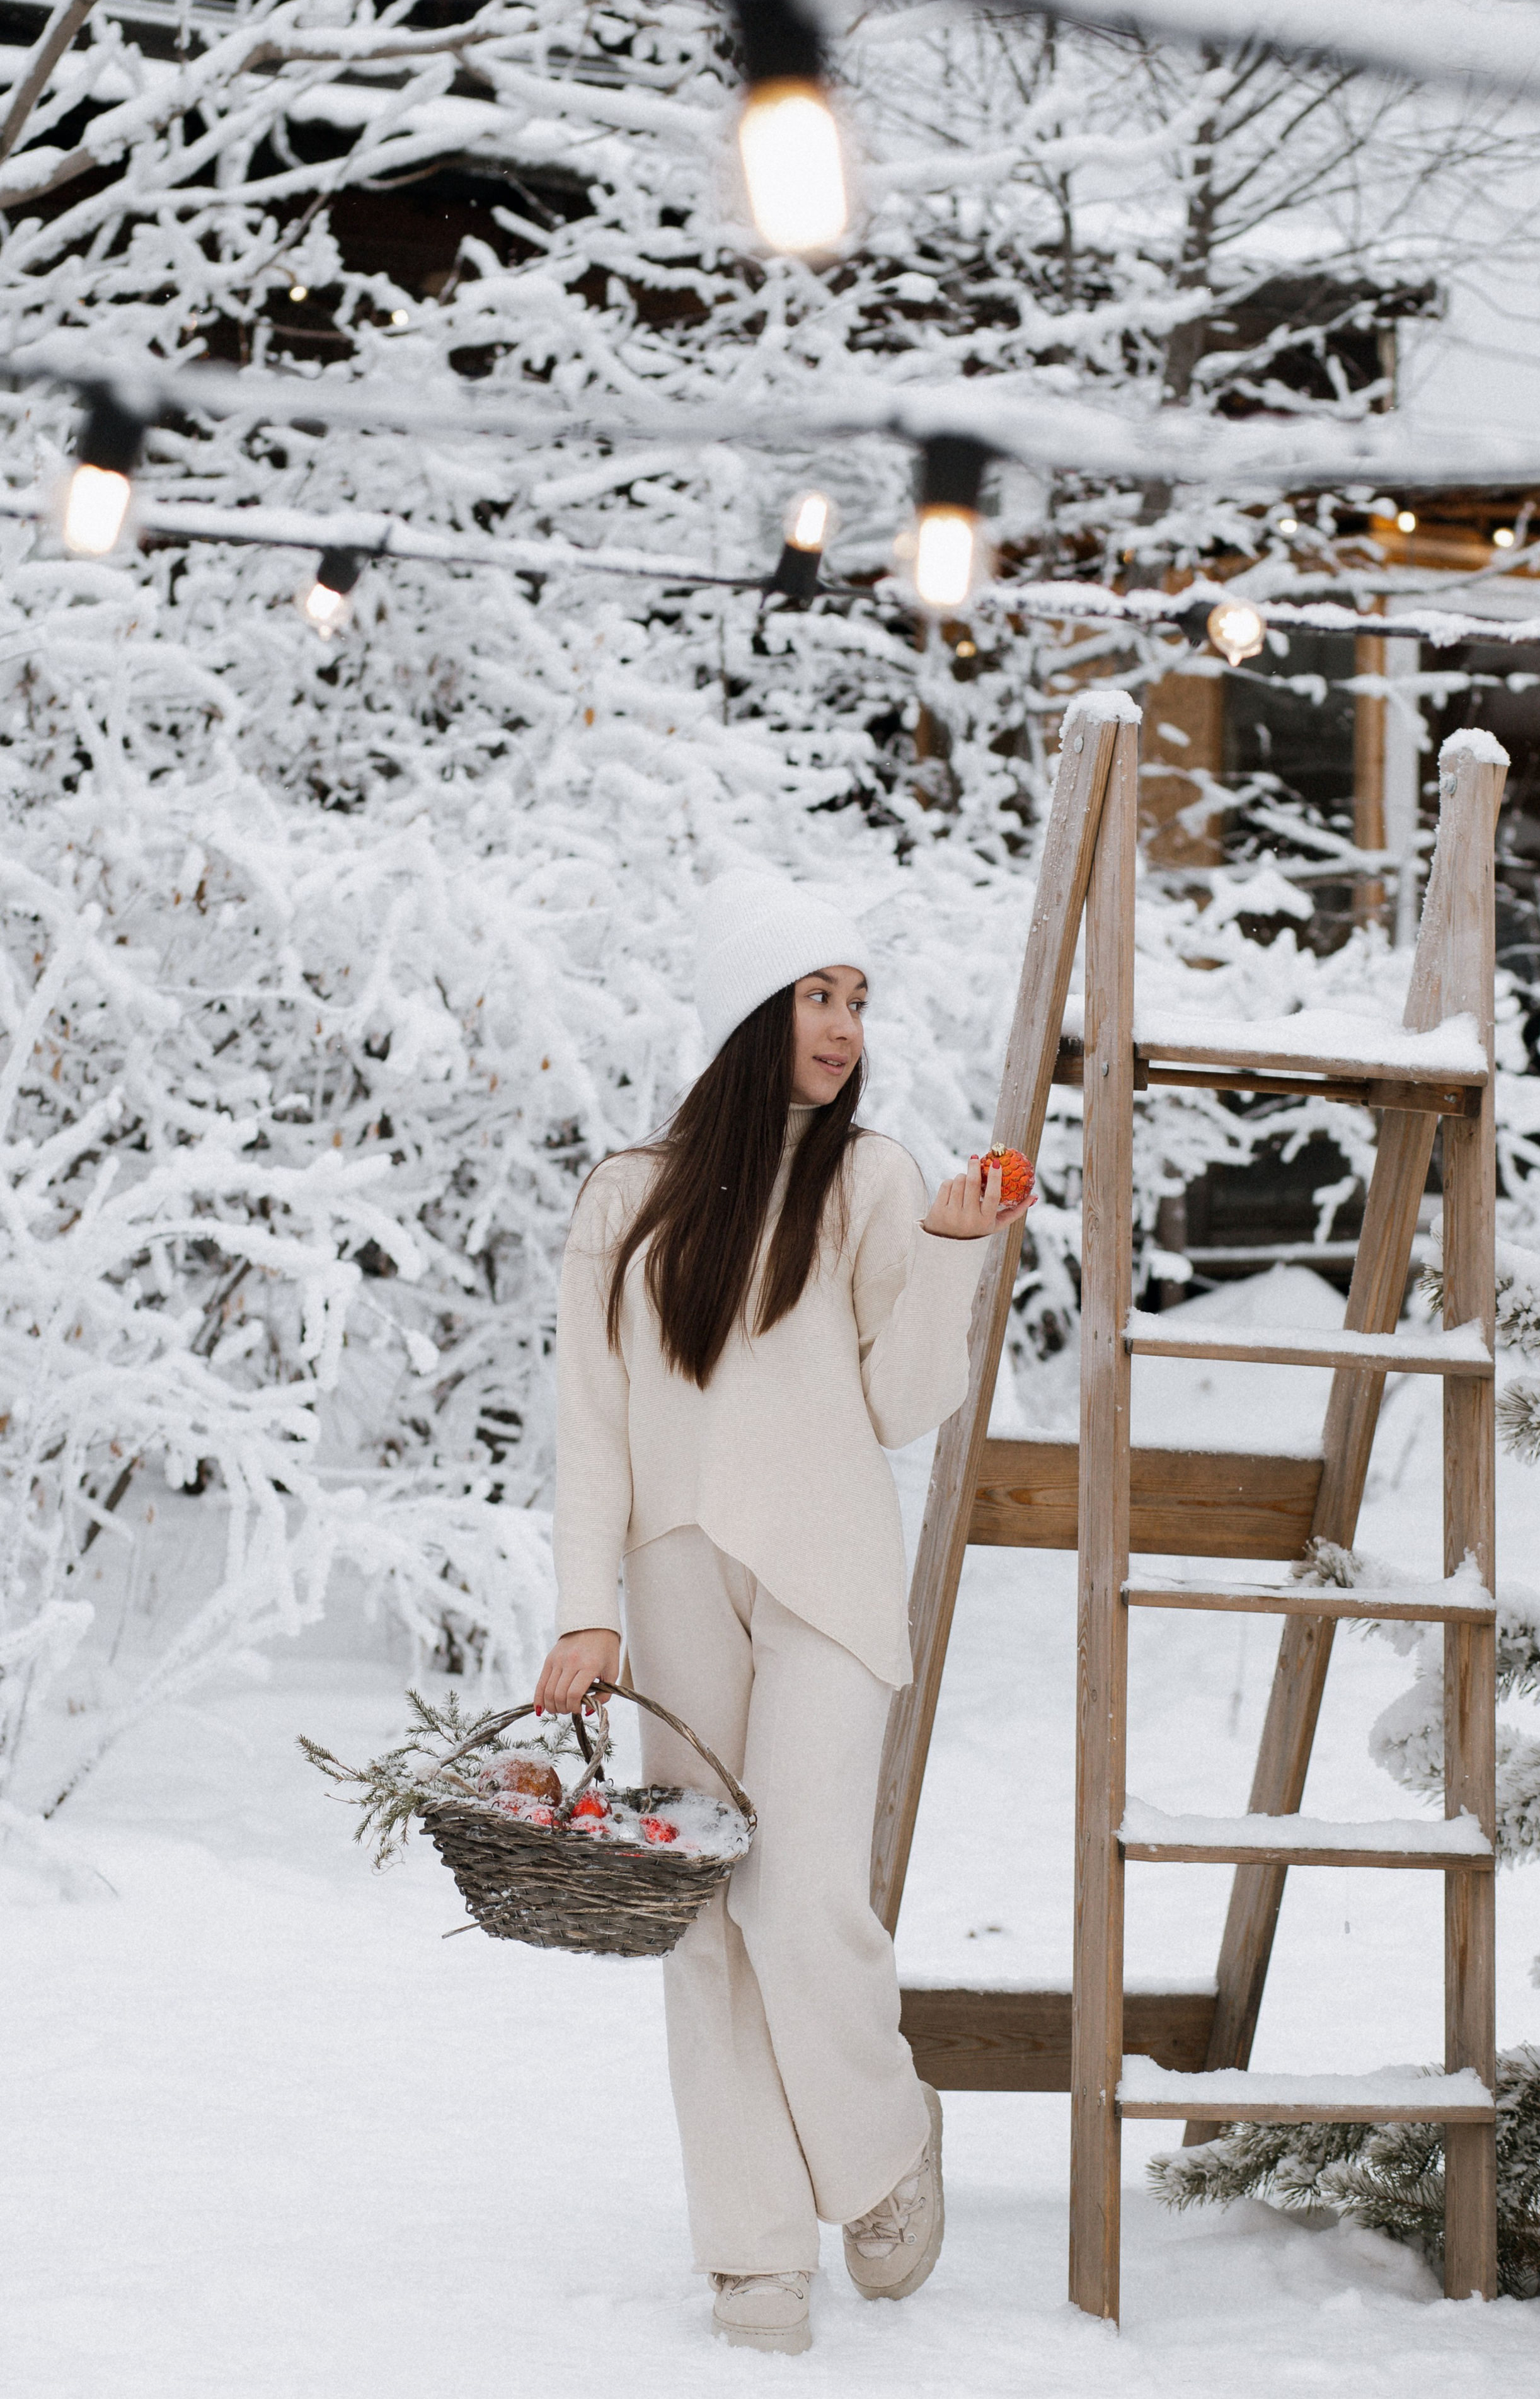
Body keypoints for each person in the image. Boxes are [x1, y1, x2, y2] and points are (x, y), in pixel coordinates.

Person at [534, 871, 1030, 2356]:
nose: (842, 1025)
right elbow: (589, 1422)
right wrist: (584, 1610)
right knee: (703, 1914)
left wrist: (948, 1252)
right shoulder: (626, 1196)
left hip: (826, 1573)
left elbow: (903, 1401)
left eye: (856, 999)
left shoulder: (873, 1178)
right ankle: (751, 2247)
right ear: (752, 1011)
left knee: (800, 1892)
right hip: (677, 1570)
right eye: (817, 995)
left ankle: (880, 2146)